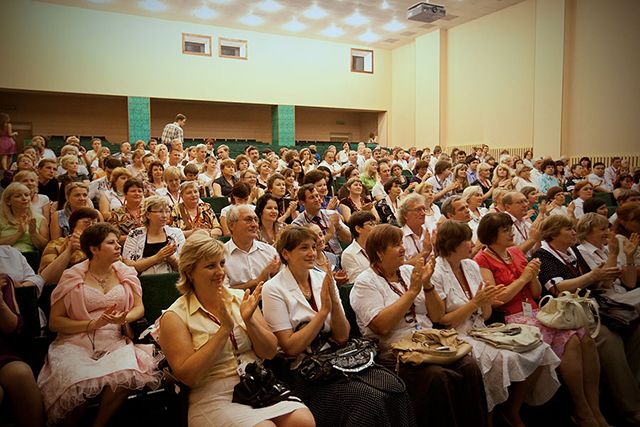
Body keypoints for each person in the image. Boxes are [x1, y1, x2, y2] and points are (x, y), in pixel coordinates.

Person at [262, 226, 415, 427]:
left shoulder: (322, 278)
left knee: (394, 387)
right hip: (305, 371)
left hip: (338, 359)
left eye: (313, 247)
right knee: (368, 399)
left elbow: (342, 337)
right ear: (286, 253)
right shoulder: (273, 289)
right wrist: (323, 313)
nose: (311, 253)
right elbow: (291, 347)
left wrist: (333, 300)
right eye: (304, 248)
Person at [158, 231, 315, 427]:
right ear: (190, 272)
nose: (220, 272)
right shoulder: (174, 316)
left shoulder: (240, 298)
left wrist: (250, 322)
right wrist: (224, 330)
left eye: (222, 263)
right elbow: (189, 377)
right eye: (210, 266)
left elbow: (269, 352)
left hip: (256, 383)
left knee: (303, 421)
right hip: (212, 394)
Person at [475, 213, 608, 426]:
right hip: (509, 316)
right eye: (505, 230)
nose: (511, 233)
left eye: (511, 228)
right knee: (570, 341)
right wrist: (525, 277)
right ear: (491, 235)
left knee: (583, 336)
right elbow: (498, 299)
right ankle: (581, 408)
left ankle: (594, 406)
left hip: (534, 311)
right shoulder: (482, 259)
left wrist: (534, 277)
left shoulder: (516, 252)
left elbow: (536, 293)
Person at [350, 224, 488, 426]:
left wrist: (427, 285)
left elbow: (437, 315)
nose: (403, 249)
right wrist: (412, 292)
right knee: (437, 376)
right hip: (393, 350)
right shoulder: (365, 282)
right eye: (396, 245)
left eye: (401, 243)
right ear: (379, 253)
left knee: (469, 365)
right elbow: (382, 327)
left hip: (427, 341)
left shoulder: (408, 272)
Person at [428, 220, 560, 423]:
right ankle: (488, 417)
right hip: (456, 335)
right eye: (467, 241)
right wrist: (476, 303)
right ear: (452, 244)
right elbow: (444, 322)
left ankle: (512, 409)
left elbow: (486, 315)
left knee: (537, 348)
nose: (473, 244)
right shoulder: (437, 273)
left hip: (481, 329)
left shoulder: (470, 265)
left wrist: (486, 302)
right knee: (500, 360)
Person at [37, 223, 161, 426]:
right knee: (75, 381)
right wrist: (92, 324)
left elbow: (139, 308)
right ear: (94, 249)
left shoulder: (125, 273)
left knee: (126, 372)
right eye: (111, 243)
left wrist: (124, 318)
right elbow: (54, 322)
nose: (118, 246)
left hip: (114, 339)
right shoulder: (72, 276)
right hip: (75, 340)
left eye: (117, 242)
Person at [0, 271, 45, 427]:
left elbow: (12, 327)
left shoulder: (3, 281)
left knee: (22, 373)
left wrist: (0, 304)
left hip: (2, 353)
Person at [122, 196, 185, 276]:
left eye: (167, 211)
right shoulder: (135, 234)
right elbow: (128, 266)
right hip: (142, 281)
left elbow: (185, 267)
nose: (165, 215)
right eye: (160, 211)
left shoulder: (176, 233)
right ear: (148, 214)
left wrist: (170, 258)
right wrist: (156, 258)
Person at [223, 205, 281, 290]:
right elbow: (224, 292)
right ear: (231, 225)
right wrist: (259, 280)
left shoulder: (270, 251)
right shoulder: (221, 255)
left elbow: (283, 284)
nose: (254, 225)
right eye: (248, 220)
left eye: (256, 220)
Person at [39, 207, 100, 285]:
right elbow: (45, 279)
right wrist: (69, 250)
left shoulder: (102, 245)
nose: (91, 227)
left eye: (94, 224)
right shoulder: (57, 244)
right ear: (74, 225)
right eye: (86, 222)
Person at [292, 184, 351, 256]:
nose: (317, 200)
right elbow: (306, 249)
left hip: (338, 256)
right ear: (302, 202)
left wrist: (338, 227)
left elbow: (348, 240)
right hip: (314, 259)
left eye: (317, 196)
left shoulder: (332, 214)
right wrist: (329, 234)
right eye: (312, 197)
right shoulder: (298, 224)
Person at [0, 182, 48, 253]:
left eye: (27, 195)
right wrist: (19, 234)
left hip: (29, 256)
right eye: (18, 196)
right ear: (8, 201)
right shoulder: (1, 219)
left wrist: (33, 233)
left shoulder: (40, 219)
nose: (24, 198)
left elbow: (44, 247)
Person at [341, 211, 376, 283]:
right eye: (371, 224)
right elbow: (356, 282)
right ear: (358, 229)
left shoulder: (380, 246)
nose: (375, 227)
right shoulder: (348, 254)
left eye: (375, 224)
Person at [108, 178, 145, 244]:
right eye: (133, 191)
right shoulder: (116, 213)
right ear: (125, 194)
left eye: (140, 191)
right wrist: (135, 236)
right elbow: (112, 238)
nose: (137, 193)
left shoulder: (149, 211)